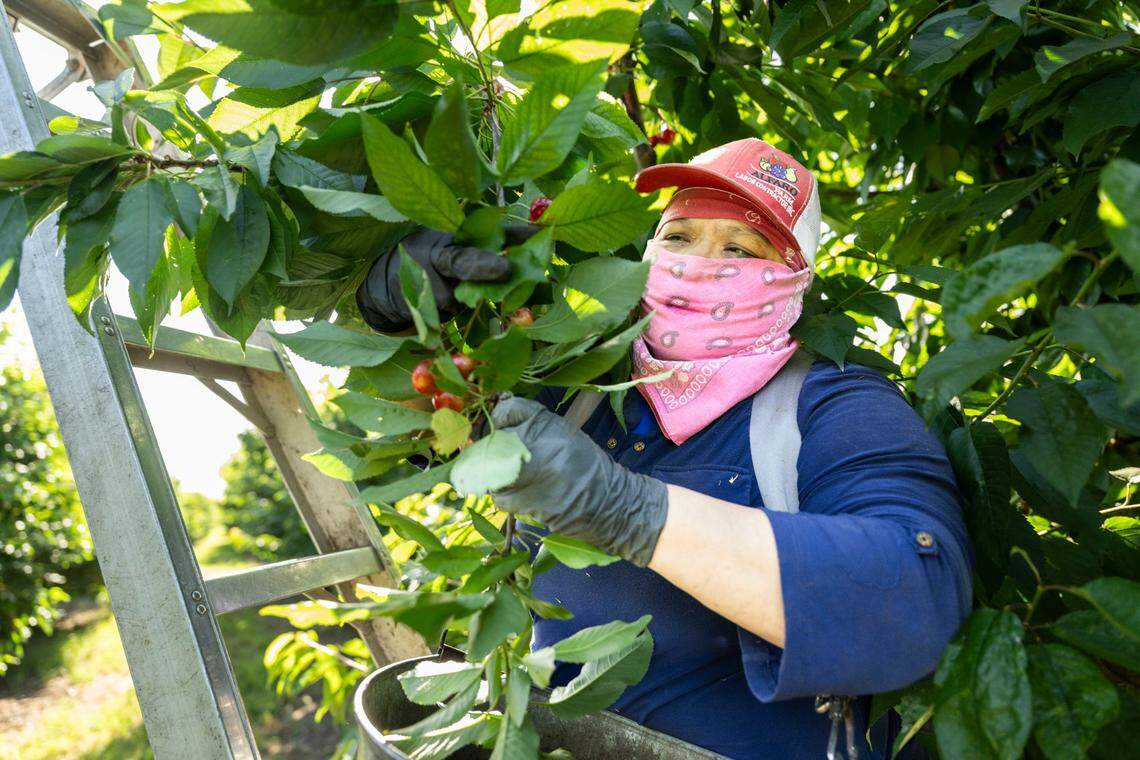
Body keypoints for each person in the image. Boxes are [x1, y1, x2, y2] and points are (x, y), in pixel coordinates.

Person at [356, 139, 972, 759]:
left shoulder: (835, 407)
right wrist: (403, 318)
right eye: (679, 236)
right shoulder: (580, 382)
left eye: (740, 248)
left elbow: (917, 597)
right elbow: (409, 435)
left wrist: (628, 511)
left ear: (794, 279)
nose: (700, 263)